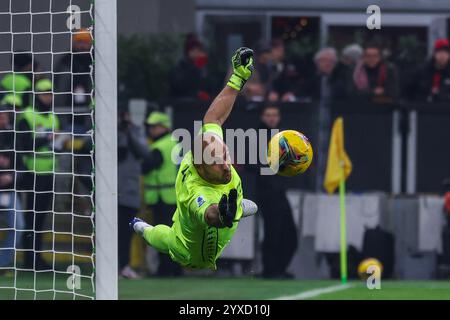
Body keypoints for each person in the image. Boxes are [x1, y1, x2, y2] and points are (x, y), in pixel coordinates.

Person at [130, 47, 258, 270]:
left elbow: (214, 117)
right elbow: (208, 214)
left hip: (211, 203)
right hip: (193, 253)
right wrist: (222, 214)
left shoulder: (207, 148)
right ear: (202, 169)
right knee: (167, 240)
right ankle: (143, 229)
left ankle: (237, 207)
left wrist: (238, 77)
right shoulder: (196, 192)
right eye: (218, 164)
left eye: (225, 156)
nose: (227, 166)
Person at [16, 78, 60, 270]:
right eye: (44, 94)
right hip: (32, 173)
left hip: (49, 172)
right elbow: (23, 146)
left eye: (50, 94)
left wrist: (60, 143)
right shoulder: (27, 115)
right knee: (31, 217)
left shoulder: (53, 117)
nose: (48, 97)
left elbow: (53, 143)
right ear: (36, 95)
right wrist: (45, 139)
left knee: (41, 218)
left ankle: (37, 257)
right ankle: (29, 260)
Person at [256, 104, 297, 279]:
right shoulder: (258, 137)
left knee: (289, 233)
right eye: (268, 114)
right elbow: (257, 166)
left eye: (275, 114)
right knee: (273, 231)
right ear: (262, 117)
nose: (272, 118)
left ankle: (278, 268)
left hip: (279, 190)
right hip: (267, 192)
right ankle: (271, 270)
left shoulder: (282, 137)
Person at [141, 111, 183, 277]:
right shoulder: (174, 143)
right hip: (173, 196)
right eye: (151, 127)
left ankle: (165, 270)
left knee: (162, 235)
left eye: (155, 126)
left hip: (163, 197)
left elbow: (147, 167)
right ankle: (175, 269)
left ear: (164, 127)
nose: (152, 130)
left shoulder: (160, 146)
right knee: (175, 234)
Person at [117, 107, 149, 279]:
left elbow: (144, 152)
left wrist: (128, 133)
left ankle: (123, 266)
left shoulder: (135, 132)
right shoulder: (108, 132)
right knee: (110, 232)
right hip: (110, 192)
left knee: (125, 233)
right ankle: (113, 266)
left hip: (129, 192)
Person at [0, 103, 24, 271]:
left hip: (8, 191)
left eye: (4, 115)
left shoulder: (13, 138)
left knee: (18, 225)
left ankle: (2, 263)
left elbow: (21, 167)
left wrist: (12, 176)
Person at [169, 35, 212, 101]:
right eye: (195, 50)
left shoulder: (200, 66)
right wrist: (195, 66)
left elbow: (204, 84)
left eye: (199, 50)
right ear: (189, 51)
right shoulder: (181, 66)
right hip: (182, 102)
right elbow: (180, 86)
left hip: (197, 102)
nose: (198, 53)